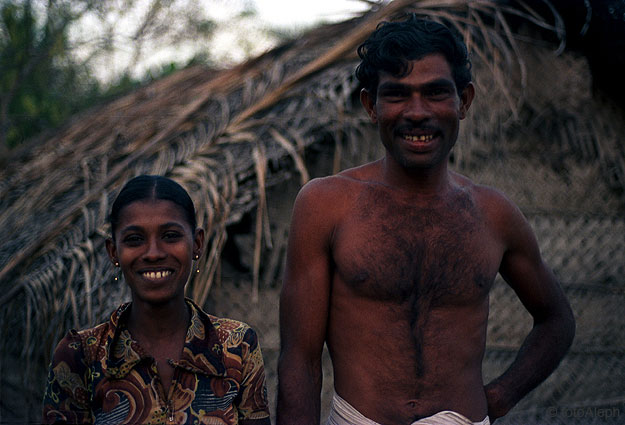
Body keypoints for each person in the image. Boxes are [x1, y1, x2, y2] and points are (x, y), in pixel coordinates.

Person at [277, 15, 575, 425]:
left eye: (436, 93)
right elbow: (299, 358)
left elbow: (557, 319)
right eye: (397, 95)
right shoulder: (326, 204)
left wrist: (501, 396)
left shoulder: (494, 213)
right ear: (371, 106)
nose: (417, 113)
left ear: (464, 101)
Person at [42, 175, 271, 425]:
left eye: (170, 235)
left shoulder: (236, 346)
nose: (153, 253)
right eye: (135, 239)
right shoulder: (82, 357)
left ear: (196, 243)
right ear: (113, 251)